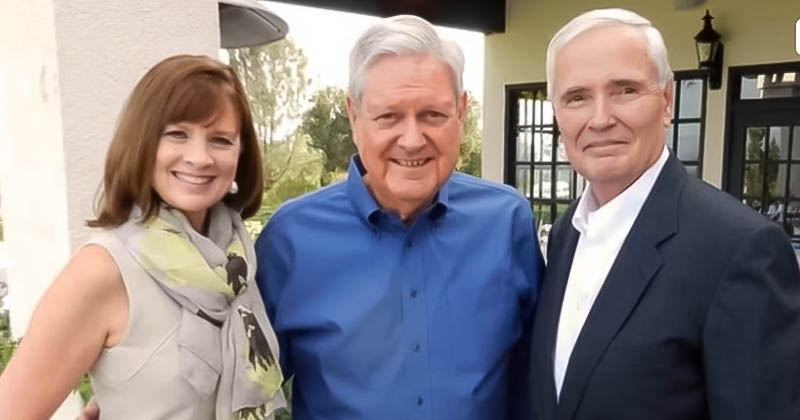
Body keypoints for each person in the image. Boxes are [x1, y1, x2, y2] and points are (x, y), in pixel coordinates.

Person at [255, 15, 543, 420]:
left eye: (433, 115)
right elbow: (249, 392)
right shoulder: (289, 239)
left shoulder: (506, 221)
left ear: (460, 112)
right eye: (388, 116)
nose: (411, 139)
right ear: (353, 115)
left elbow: (539, 377)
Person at [529, 8, 800, 420]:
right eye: (577, 97)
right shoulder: (569, 232)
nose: (600, 119)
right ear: (557, 114)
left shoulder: (740, 248)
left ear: (667, 100)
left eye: (624, 90)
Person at [0, 55, 286, 420]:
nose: (199, 157)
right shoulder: (103, 270)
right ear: (142, 143)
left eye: (220, 140)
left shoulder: (235, 261)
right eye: (177, 134)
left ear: (240, 152)